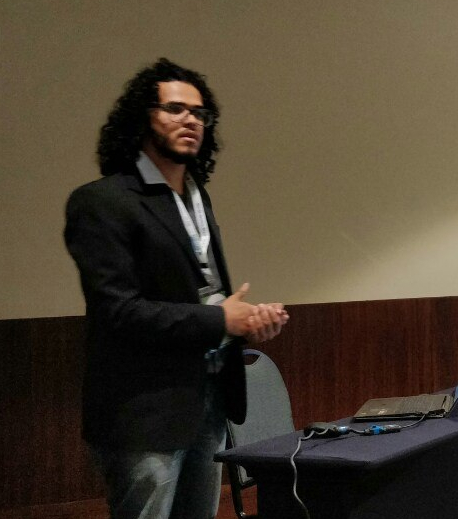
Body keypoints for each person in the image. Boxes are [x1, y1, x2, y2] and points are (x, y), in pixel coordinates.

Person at [64, 58, 289, 519]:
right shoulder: (102, 201)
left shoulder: (197, 196)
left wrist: (244, 323)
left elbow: (202, 297)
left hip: (210, 401)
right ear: (142, 119)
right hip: (145, 413)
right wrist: (221, 319)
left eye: (200, 113)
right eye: (175, 108)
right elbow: (119, 312)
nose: (191, 120)